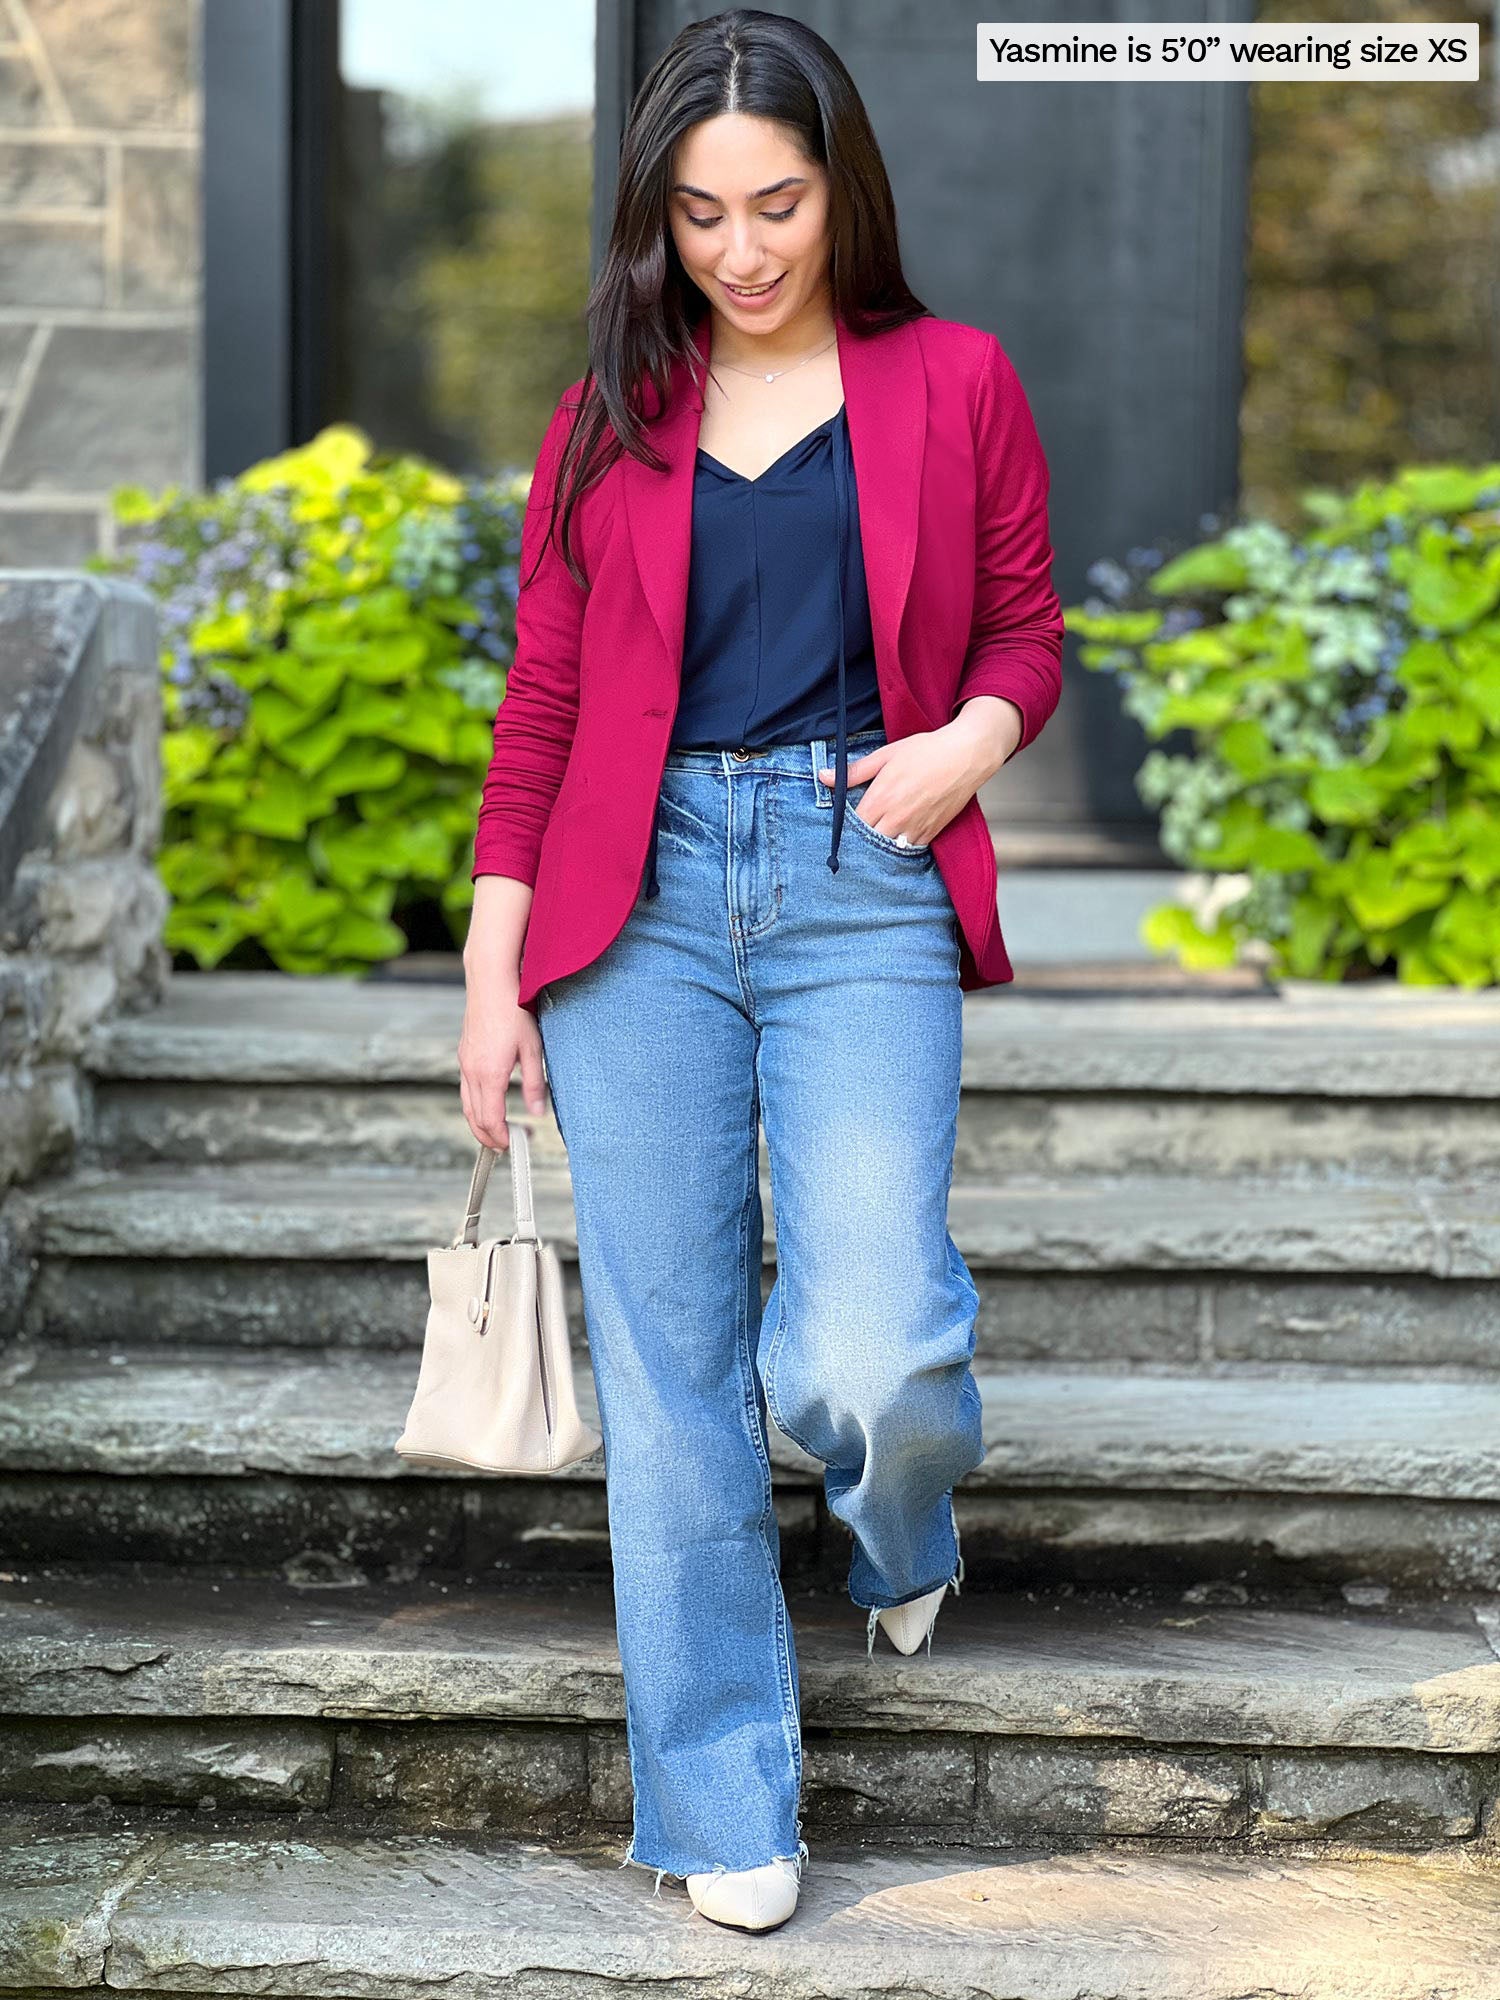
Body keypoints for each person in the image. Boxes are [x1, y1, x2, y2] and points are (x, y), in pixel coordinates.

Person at [457, 5, 1064, 1939]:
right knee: (669, 1371)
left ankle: (898, 1519)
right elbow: (541, 706)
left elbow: (1032, 636)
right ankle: (722, 1795)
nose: (742, 249)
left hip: (855, 869)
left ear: (840, 191)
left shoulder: (953, 378)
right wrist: (491, 979)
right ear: (658, 218)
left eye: (778, 204)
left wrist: (969, 739)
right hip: (627, 907)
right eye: (702, 213)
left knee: (869, 1339)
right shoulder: (608, 414)